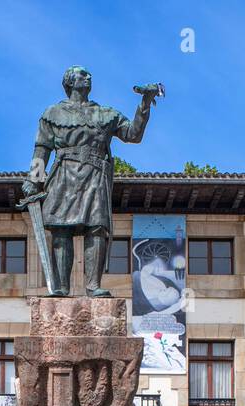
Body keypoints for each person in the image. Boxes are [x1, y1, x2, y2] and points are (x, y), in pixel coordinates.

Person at [23, 66, 158, 296]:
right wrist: (34, 180)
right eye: (83, 75)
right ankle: (62, 288)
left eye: (89, 75)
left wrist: (145, 103)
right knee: (61, 230)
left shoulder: (106, 114)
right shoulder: (52, 113)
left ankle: (93, 285)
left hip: (95, 175)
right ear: (70, 82)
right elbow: (42, 149)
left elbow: (133, 135)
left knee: (96, 228)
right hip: (64, 174)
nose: (89, 77)